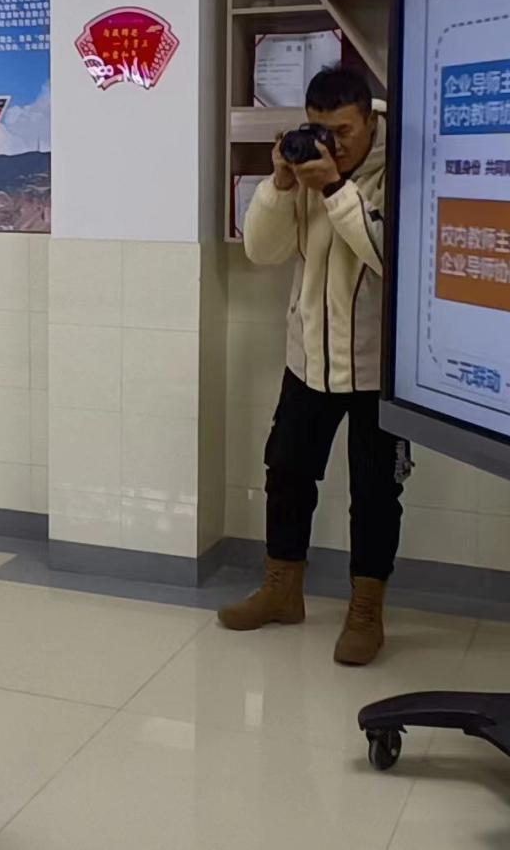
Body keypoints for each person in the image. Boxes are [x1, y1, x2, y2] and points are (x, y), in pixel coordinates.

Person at [219, 66, 408, 667]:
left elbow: (390, 257)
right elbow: (262, 251)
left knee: (375, 493)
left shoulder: (402, 168)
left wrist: (334, 189)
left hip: (380, 370)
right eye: (322, 130)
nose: (334, 144)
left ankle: (365, 611)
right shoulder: (306, 169)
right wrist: (280, 183)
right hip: (308, 360)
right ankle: (282, 591)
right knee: (287, 473)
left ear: (370, 121)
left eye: (345, 131)